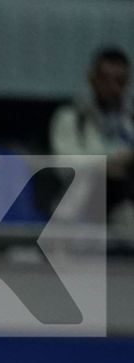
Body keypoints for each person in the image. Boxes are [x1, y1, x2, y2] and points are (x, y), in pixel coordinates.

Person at [49, 46, 134, 228]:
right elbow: (64, 166)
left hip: (120, 205)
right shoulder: (71, 118)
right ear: (92, 79)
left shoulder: (129, 123)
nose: (112, 88)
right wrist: (105, 166)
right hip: (77, 207)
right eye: (105, 80)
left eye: (119, 81)